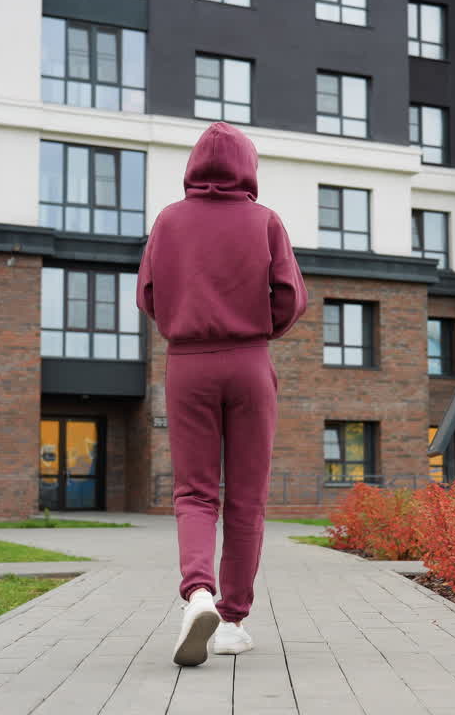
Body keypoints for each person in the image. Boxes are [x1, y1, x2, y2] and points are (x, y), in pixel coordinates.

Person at [136, 121, 308, 667]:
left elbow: (147, 293)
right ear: (247, 167)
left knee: (194, 493)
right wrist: (260, 329)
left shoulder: (168, 221)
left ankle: (198, 594)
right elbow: (291, 296)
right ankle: (232, 621)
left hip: (187, 363)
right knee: (247, 496)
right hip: (249, 361)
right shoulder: (265, 221)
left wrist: (184, 322)